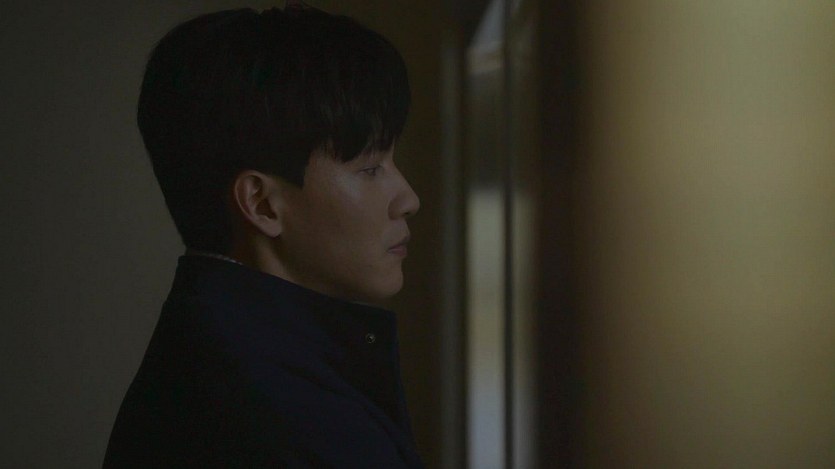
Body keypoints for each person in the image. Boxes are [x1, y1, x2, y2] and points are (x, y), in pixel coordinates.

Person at [103, 2, 423, 467]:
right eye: (370, 168)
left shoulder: (217, 356)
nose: (409, 199)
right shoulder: (283, 413)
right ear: (261, 204)